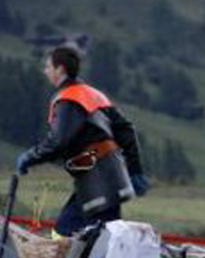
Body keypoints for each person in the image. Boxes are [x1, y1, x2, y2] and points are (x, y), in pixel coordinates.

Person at [15, 46, 149, 237]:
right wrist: (135, 170)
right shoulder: (94, 95)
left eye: (48, 67)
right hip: (111, 176)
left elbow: (59, 141)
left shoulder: (68, 99)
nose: (46, 71)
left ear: (60, 69)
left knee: (64, 232)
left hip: (97, 180)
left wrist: (30, 157)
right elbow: (126, 131)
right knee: (104, 239)